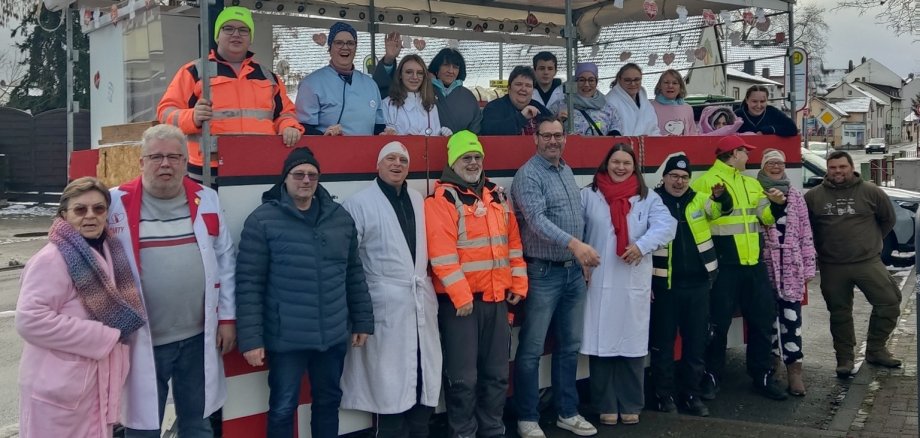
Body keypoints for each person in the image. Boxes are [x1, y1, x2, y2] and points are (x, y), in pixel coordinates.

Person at [235, 147, 374, 438]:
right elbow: (249, 283)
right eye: (298, 174)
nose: (306, 180)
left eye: (312, 175)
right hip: (287, 339)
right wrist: (251, 339)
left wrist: (362, 321)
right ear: (285, 178)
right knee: (283, 407)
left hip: (332, 335)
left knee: (328, 402)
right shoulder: (262, 221)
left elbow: (353, 272)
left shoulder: (339, 218)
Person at [109, 125, 237, 437]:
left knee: (197, 424)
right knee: (143, 428)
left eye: (174, 157)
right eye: (156, 157)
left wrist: (227, 319)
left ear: (184, 161)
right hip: (142, 340)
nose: (165, 164)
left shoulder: (206, 198)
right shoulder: (114, 202)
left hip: (197, 338)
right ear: (141, 162)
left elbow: (225, 262)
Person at [16, 177, 145, 438]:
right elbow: (30, 320)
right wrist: (103, 335)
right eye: (80, 209)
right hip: (58, 388)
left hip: (94, 385)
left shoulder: (111, 250)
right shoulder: (52, 258)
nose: (90, 216)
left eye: (98, 209)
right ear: (64, 214)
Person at [425, 130, 528, 438]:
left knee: (497, 375)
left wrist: (518, 284)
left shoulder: (497, 195)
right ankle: (463, 432)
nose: (473, 163)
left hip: (497, 301)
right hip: (462, 307)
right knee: (463, 379)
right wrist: (461, 297)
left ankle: (493, 430)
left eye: (477, 157)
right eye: (466, 157)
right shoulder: (441, 200)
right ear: (452, 162)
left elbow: (513, 245)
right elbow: (442, 256)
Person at [340, 142, 443, 437]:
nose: (397, 164)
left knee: (423, 377)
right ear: (378, 165)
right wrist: (358, 313)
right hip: (384, 303)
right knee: (389, 385)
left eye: (402, 160)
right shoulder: (359, 204)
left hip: (420, 299)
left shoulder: (417, 199)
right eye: (390, 159)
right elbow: (350, 262)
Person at [511, 115, 598, 438]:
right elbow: (536, 221)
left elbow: (576, 216)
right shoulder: (528, 175)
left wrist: (581, 257)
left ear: (565, 139)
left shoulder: (565, 170)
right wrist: (576, 245)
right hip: (543, 272)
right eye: (546, 136)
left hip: (572, 271)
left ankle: (567, 412)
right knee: (531, 349)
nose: (553, 141)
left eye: (558, 135)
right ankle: (527, 418)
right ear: (535, 139)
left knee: (569, 346)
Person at [581, 144, 676, 426]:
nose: (620, 167)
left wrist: (642, 246)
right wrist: (580, 260)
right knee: (602, 343)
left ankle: (631, 402)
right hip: (599, 280)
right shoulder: (589, 195)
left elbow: (667, 225)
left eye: (626, 163)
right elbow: (576, 230)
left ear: (634, 167)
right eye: (616, 162)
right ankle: (605, 404)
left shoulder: (647, 198)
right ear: (606, 163)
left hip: (633, 280)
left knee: (631, 343)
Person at [690, 135, 789, 401]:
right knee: (717, 325)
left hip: (754, 264)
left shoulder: (751, 183)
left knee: (762, 321)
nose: (749, 156)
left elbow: (765, 218)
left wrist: (778, 205)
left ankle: (762, 376)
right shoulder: (705, 182)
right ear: (734, 154)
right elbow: (704, 218)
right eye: (746, 152)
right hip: (723, 266)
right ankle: (711, 377)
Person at [157, 6, 303, 184]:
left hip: (260, 165)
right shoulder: (194, 71)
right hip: (208, 170)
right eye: (228, 28)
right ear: (217, 35)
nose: (236, 34)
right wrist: (192, 117)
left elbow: (285, 113)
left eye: (243, 30)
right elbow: (165, 113)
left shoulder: (268, 77)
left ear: (250, 38)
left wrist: (288, 127)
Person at [804, 151, 903, 377]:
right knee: (839, 313)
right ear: (828, 170)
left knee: (889, 302)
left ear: (851, 167)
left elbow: (888, 219)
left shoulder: (871, 191)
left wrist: (870, 242)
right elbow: (806, 228)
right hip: (832, 265)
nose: (838, 171)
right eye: (833, 168)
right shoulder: (814, 196)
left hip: (867, 262)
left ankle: (876, 349)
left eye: (842, 167)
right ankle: (845, 358)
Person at [649, 155, 731, 418]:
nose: (679, 181)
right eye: (674, 176)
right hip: (665, 286)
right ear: (664, 177)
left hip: (698, 285)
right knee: (662, 345)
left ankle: (691, 395)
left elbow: (719, 210)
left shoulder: (700, 199)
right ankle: (664, 396)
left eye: (684, 177)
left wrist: (722, 198)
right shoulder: (652, 201)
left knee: (696, 345)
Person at [758, 148, 816, 396]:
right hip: (765, 264)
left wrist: (808, 265)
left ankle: (795, 371)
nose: (775, 166)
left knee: (791, 319)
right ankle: (772, 367)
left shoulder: (795, 195)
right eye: (770, 163)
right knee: (767, 320)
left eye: (779, 163)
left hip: (791, 265)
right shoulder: (756, 192)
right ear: (763, 167)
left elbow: (805, 231)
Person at [296, 22, 389, 136]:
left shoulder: (370, 85)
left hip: (366, 148)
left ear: (355, 48)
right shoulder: (311, 83)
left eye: (350, 43)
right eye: (339, 43)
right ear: (330, 48)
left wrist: (386, 134)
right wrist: (324, 137)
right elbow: (303, 128)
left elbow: (379, 127)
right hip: (327, 147)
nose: (345, 47)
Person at [383, 54, 451, 136]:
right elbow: (385, 138)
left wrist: (441, 135)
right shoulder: (388, 104)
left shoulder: (431, 106)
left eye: (419, 73)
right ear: (400, 75)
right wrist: (405, 137)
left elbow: (434, 137)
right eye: (409, 72)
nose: (415, 77)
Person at [551, 62, 621, 136]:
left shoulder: (609, 109)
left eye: (591, 80)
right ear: (575, 82)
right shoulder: (560, 106)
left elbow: (616, 133)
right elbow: (547, 131)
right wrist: (558, 121)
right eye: (582, 80)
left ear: (596, 82)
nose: (586, 85)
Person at [481, 66, 552, 136]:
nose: (523, 89)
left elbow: (554, 125)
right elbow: (488, 131)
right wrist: (521, 117)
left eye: (528, 85)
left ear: (533, 90)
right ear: (509, 88)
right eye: (518, 84)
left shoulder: (540, 109)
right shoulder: (494, 107)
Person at [428, 48, 483, 134]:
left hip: (461, 142)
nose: (451, 71)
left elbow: (476, 126)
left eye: (455, 67)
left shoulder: (468, 96)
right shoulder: (425, 92)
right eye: (446, 65)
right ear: (436, 67)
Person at [605, 63, 660, 136]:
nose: (633, 84)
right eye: (627, 80)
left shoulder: (645, 102)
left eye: (636, 79)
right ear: (619, 79)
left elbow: (653, 128)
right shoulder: (609, 101)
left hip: (647, 142)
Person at [650, 70, 698, 136]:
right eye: (666, 82)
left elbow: (693, 134)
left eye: (675, 83)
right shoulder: (650, 107)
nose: (670, 86)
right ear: (660, 86)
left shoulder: (688, 109)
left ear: (680, 87)